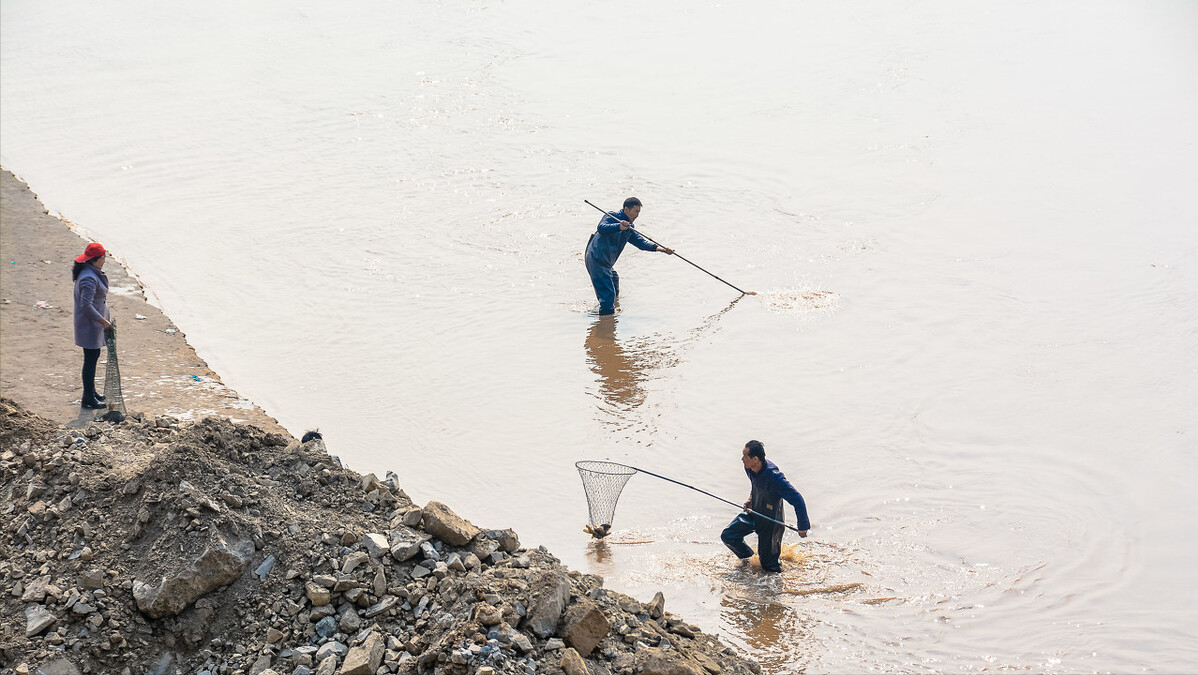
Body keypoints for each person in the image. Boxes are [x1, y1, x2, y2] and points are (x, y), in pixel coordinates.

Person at [721, 440, 810, 573]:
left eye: (745, 456)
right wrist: (750, 499)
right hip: (754, 513)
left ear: (755, 459)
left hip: (771, 524)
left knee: (769, 566)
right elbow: (755, 484)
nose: (742, 459)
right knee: (728, 536)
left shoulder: (775, 478)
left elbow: (798, 500)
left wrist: (803, 526)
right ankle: (750, 561)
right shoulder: (749, 468)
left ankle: (775, 587)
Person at [584, 197, 674, 315]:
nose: (637, 215)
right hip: (596, 258)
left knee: (614, 281)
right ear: (626, 209)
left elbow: (641, 243)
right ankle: (606, 322)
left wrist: (661, 249)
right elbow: (601, 227)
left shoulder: (629, 228)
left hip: (606, 263)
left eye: (639, 212)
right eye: (636, 211)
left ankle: (609, 311)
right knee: (608, 295)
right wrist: (619, 226)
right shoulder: (612, 216)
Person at [72, 242, 113, 409]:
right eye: (103, 259)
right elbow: (86, 305)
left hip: (92, 324)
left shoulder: (89, 271)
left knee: (93, 358)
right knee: (90, 360)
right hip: (89, 325)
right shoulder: (88, 277)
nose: (104, 261)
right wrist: (103, 322)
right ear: (96, 259)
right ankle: (87, 398)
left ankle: (91, 392)